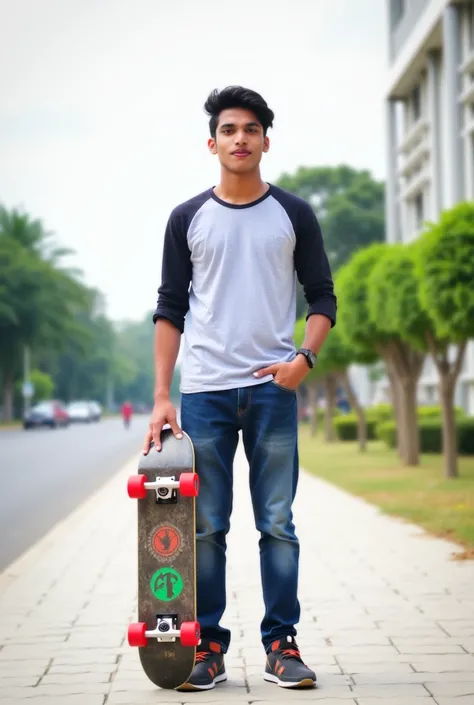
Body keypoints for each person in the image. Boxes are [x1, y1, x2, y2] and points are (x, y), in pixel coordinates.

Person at [143, 86, 337, 691]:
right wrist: (161, 396)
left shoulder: (293, 214)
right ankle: (206, 648)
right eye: (229, 130)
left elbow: (323, 296)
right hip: (204, 393)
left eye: (251, 129)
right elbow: (170, 308)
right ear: (213, 142)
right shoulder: (187, 218)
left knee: (277, 522)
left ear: (265, 141)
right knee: (206, 526)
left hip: (274, 390)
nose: (240, 139)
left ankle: (282, 645)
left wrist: (304, 358)